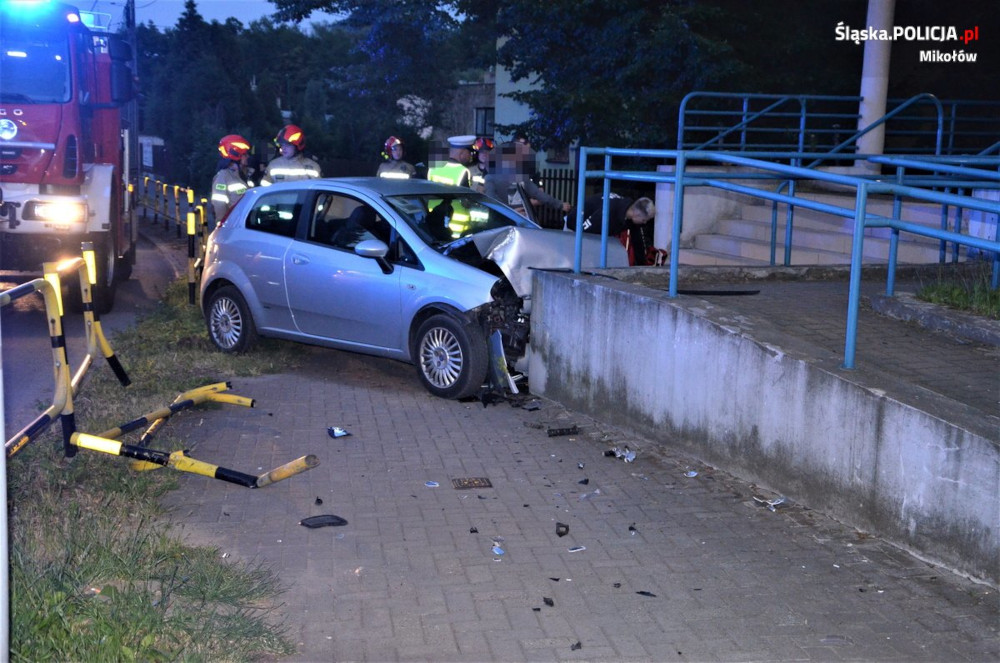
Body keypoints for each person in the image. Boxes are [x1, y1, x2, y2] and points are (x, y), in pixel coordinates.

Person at [484, 141, 570, 220]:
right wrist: (511, 211)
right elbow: (491, 199)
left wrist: (559, 204)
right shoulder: (491, 177)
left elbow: (538, 194)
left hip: (522, 219)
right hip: (500, 220)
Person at [567, 193, 656, 265]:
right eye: (644, 220)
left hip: (594, 231)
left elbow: (638, 242)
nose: (644, 223)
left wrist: (642, 266)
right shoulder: (607, 213)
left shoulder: (629, 211)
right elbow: (584, 233)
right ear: (637, 215)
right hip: (575, 225)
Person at [210, 134, 252, 225]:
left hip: (245, 224)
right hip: (232, 226)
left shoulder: (245, 174)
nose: (248, 157)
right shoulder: (223, 177)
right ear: (236, 155)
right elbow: (219, 205)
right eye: (245, 154)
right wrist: (222, 225)